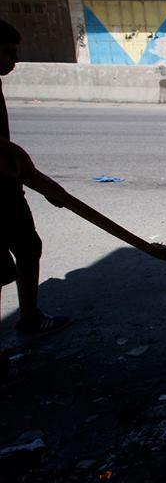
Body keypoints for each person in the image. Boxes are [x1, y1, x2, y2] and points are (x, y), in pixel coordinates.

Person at [0, 19, 70, 334]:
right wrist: (47, 186)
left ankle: (29, 315)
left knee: (28, 247)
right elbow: (12, 156)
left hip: (7, 189)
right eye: (9, 52)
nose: (15, 60)